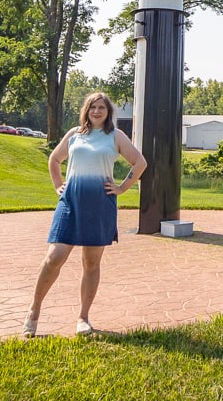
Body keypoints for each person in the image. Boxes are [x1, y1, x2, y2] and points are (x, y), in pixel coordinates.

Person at [24, 92, 146, 338]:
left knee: (91, 263)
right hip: (70, 204)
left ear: (108, 112)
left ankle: (83, 317)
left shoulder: (115, 136)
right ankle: (34, 311)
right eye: (93, 107)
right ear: (86, 110)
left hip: (100, 206)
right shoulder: (74, 134)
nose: (97, 111)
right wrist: (58, 185)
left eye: (102, 107)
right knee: (54, 257)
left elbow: (140, 162)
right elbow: (55, 159)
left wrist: (121, 188)